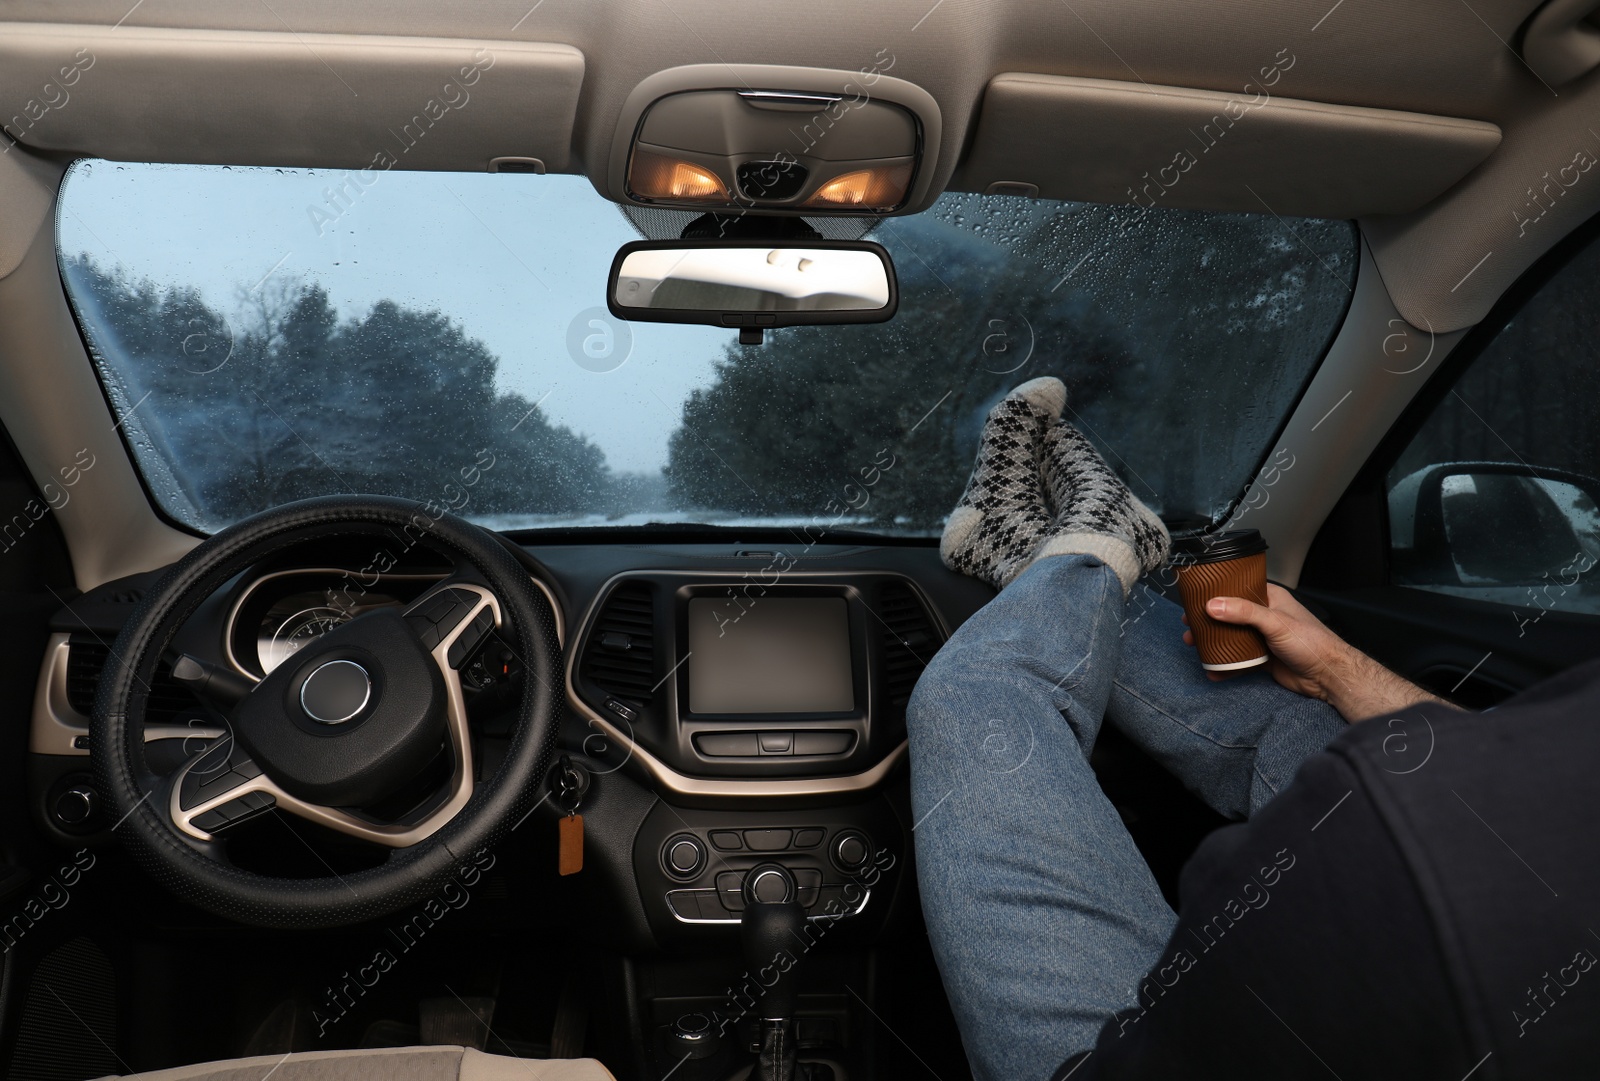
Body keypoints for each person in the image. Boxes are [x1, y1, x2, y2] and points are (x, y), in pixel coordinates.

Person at [909, 378, 1600, 1080]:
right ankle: (1062, 553)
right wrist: (1337, 666)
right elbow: (1515, 774)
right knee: (1300, 713)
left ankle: (1081, 546)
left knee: (972, 694)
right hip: (1439, 896)